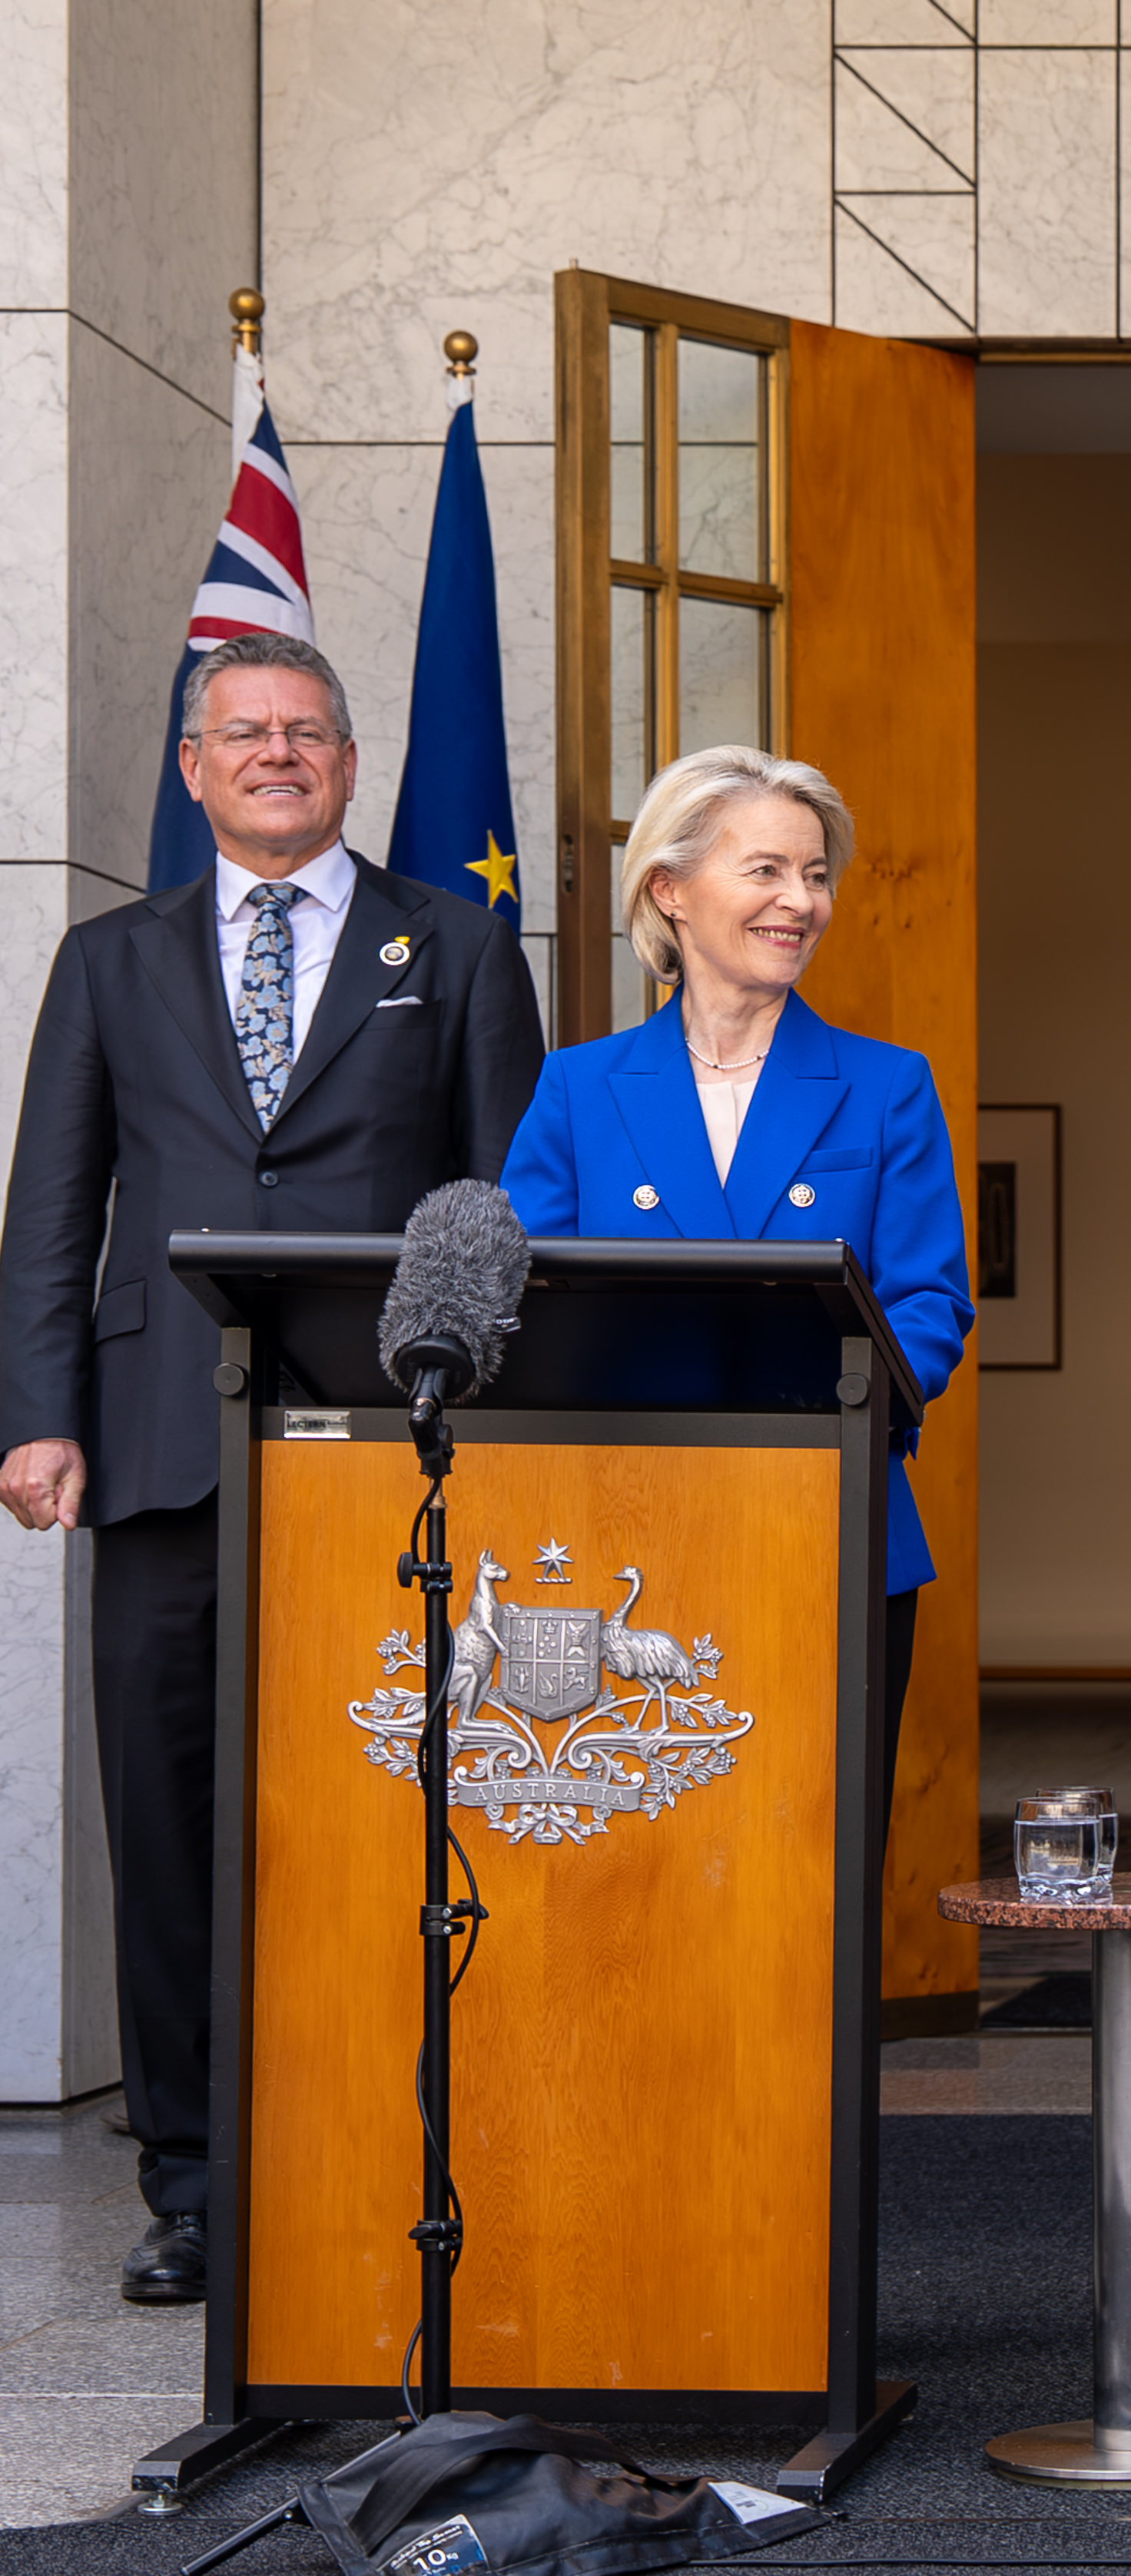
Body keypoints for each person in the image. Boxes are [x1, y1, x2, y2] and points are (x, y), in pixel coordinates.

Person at [0, 631, 545, 2305]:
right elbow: (53, 1207)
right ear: (192, 765)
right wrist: (39, 1411)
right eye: (244, 732)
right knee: (166, 1819)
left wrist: (496, 1435)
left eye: (307, 730)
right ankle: (195, 2186)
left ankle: (388, 2153)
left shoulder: (452, 945)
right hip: (159, 1445)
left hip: (390, 1447)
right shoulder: (107, 958)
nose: (277, 753)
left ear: (351, 759)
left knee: (383, 1817)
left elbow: (498, 1209)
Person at [499, 744, 971, 1816]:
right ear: (670, 888)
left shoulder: (888, 1086)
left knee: (816, 1857)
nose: (798, 902)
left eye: (813, 875)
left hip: (832, 1523)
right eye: (766, 870)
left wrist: (863, 1396)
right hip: (626, 1532)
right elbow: (519, 1301)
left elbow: (932, 1303)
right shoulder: (578, 1088)